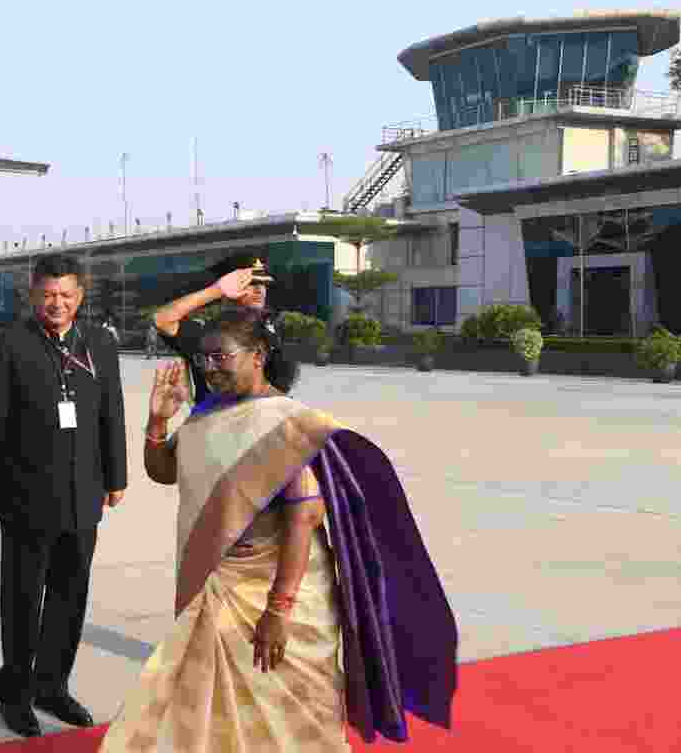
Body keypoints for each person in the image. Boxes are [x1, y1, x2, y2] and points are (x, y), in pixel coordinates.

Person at [99, 307, 458, 751]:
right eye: (204, 358)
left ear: (258, 356)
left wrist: (278, 609)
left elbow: (302, 518)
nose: (208, 368)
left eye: (220, 357)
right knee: (207, 711)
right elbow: (164, 471)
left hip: (278, 595)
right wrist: (158, 422)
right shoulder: (206, 415)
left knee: (290, 720)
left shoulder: (288, 423)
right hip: (214, 586)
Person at [0, 253, 128, 738]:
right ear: (32, 294)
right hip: (25, 497)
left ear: (81, 295)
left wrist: (116, 475)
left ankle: (52, 684)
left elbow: (112, 411)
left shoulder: (99, 342)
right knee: (23, 599)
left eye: (66, 295)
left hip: (84, 494)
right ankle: (15, 691)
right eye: (48, 295)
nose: (57, 303)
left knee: (70, 596)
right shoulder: (5, 346)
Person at [151, 251, 273, 410]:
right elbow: (161, 319)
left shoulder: (269, 333)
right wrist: (216, 290)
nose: (259, 290)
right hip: (216, 421)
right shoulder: (207, 335)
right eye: (249, 283)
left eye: (263, 283)